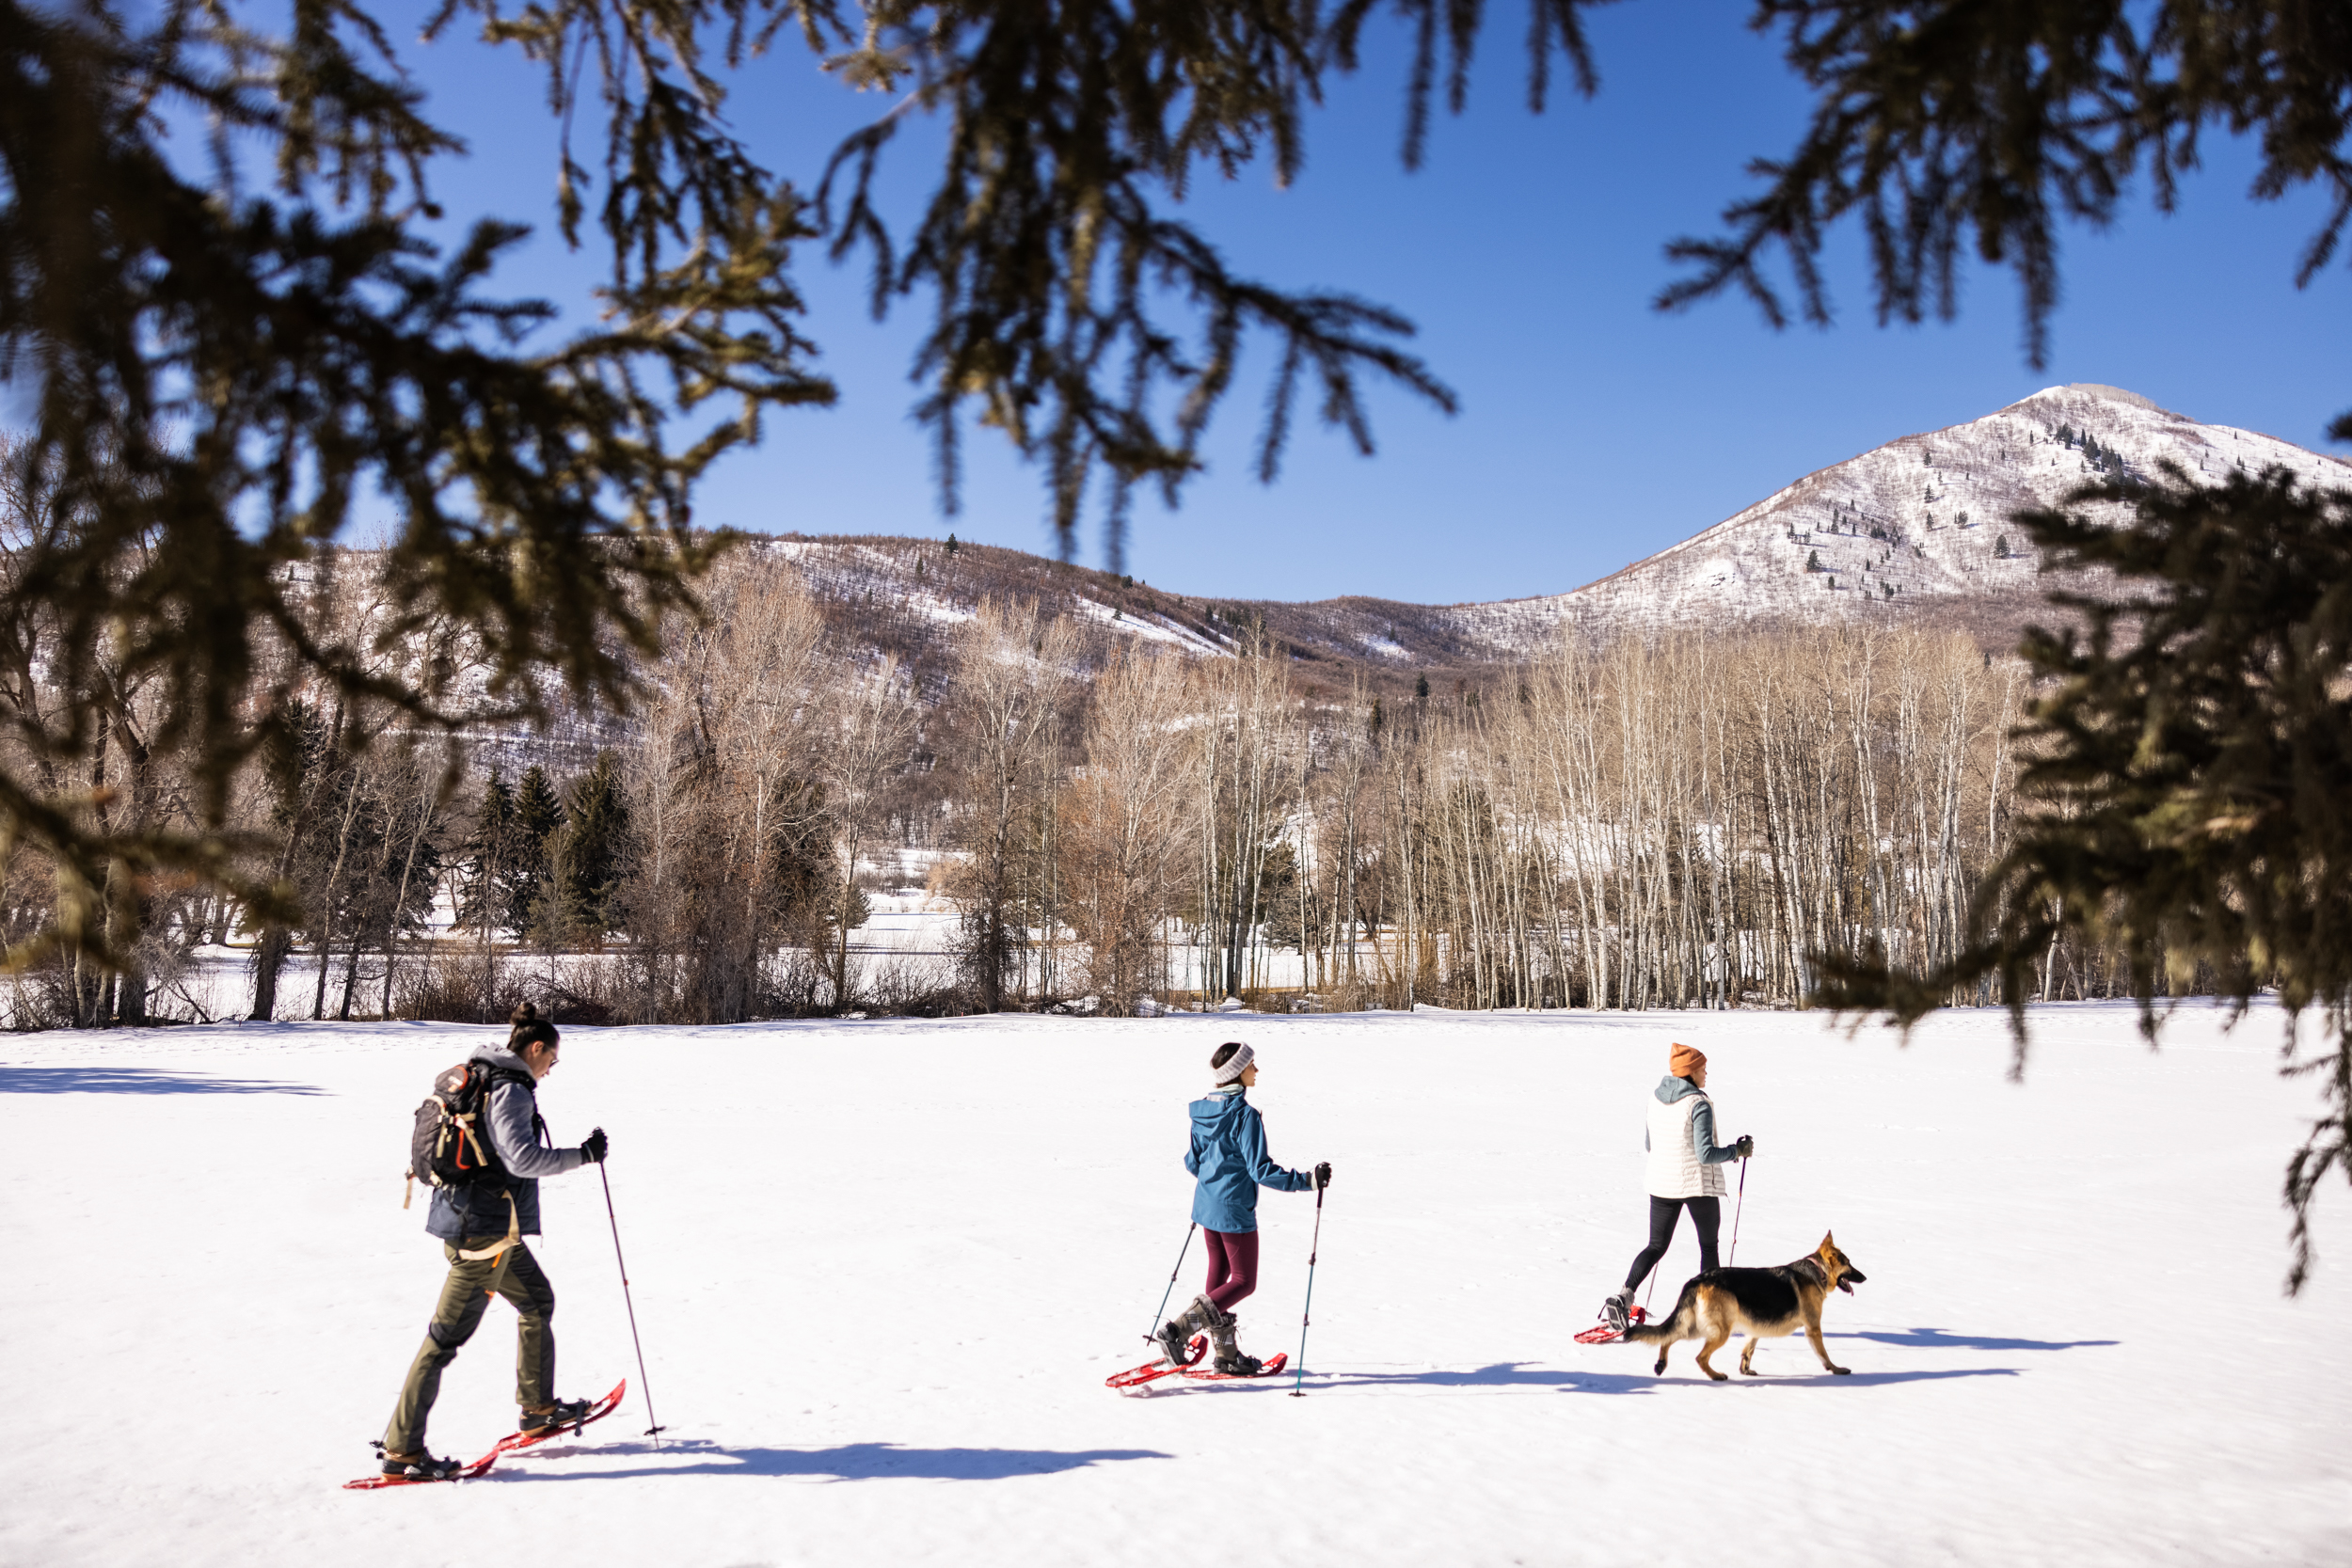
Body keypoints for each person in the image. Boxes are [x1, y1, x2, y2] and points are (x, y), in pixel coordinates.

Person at [376, 1003, 610, 1480]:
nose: (551, 1069)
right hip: (483, 1237)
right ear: (537, 1048)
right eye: (552, 1060)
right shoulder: (512, 1089)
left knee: (538, 1301)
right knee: (443, 1341)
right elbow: (522, 1158)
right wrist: (582, 1156)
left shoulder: (485, 1074)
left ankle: (538, 1409)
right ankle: (402, 1453)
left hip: (485, 1226)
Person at [1155, 1041, 1329, 1375]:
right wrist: (1308, 1181)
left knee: (1219, 1277)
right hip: (1233, 1210)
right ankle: (1177, 1331)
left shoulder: (1203, 1111)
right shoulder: (1244, 1115)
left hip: (1206, 1206)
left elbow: (1194, 1162)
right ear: (1237, 1071)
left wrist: (1214, 1181)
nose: (1256, 1070)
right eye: (1252, 1065)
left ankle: (1226, 1355)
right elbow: (1260, 1170)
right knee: (1244, 1281)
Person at [1598, 1042, 1752, 1335]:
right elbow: (1705, 1155)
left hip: (1661, 1184)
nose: (1706, 1073)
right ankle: (1711, 1312)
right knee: (1708, 1247)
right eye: (1703, 1068)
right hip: (1697, 1186)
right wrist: (1737, 1151)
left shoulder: (1654, 1100)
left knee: (1656, 1246)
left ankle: (1623, 1296)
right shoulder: (1698, 1104)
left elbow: (1649, 1145)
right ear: (1691, 1072)